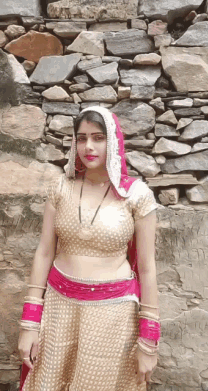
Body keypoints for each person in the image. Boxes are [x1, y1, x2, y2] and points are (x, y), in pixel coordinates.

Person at [18, 106, 160, 391]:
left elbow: (146, 267)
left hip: (113, 316)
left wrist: (149, 340)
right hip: (59, 308)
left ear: (114, 142)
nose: (89, 146)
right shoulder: (62, 188)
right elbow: (45, 252)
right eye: (81, 138)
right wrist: (29, 323)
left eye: (98, 138)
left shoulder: (136, 195)